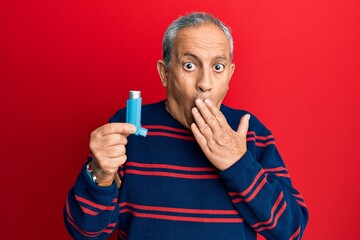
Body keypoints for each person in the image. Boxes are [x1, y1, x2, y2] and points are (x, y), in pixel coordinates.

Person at [64, 12, 309, 240]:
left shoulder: (250, 132)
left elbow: (291, 230)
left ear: (230, 75)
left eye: (218, 67)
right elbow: (85, 232)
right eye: (189, 65)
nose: (205, 83)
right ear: (165, 73)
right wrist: (100, 174)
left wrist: (237, 163)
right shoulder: (128, 127)